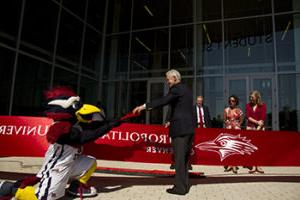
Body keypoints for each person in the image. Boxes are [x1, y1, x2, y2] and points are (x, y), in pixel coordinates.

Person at [1, 86, 123, 200]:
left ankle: (76, 187)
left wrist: (114, 121)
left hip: (70, 162)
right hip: (57, 167)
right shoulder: (60, 127)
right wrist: (108, 126)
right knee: (44, 198)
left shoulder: (74, 123)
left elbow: (93, 126)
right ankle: (11, 189)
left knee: (90, 162)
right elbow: (85, 137)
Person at [133, 69, 194, 195]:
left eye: (168, 79)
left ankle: (180, 188)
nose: (167, 82)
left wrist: (144, 107)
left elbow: (163, 101)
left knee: (179, 160)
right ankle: (184, 185)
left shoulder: (176, 89)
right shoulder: (187, 89)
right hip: (189, 128)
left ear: (175, 78)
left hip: (180, 129)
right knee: (184, 160)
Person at [246, 90, 266, 174]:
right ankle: (254, 166)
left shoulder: (263, 106)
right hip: (250, 128)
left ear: (257, 97)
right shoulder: (248, 105)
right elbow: (248, 117)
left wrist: (258, 127)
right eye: (250, 97)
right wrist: (257, 122)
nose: (251, 99)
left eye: (252, 97)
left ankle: (259, 166)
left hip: (260, 128)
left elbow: (263, 117)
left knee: (259, 148)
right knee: (252, 148)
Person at [223, 95, 244, 174]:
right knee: (229, 147)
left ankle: (234, 165)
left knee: (235, 148)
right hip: (228, 130)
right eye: (230, 101)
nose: (231, 102)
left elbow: (242, 120)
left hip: (236, 130)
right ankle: (229, 164)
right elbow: (224, 120)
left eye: (233, 101)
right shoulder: (226, 110)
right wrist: (228, 123)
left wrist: (238, 124)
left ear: (236, 102)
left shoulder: (239, 110)